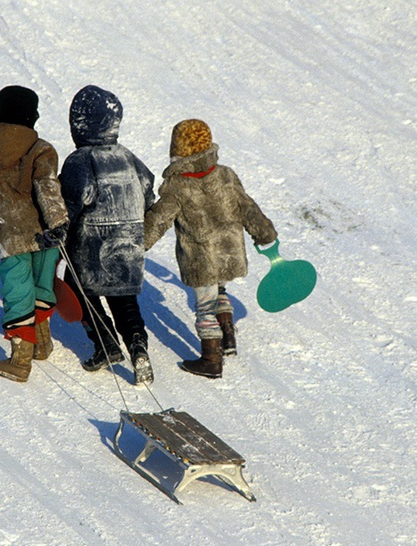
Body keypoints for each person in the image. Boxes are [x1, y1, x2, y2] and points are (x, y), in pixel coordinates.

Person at [143, 119, 277, 379]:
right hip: (229, 252)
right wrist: (264, 233)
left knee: (205, 307)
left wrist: (139, 242)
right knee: (221, 288)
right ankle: (228, 338)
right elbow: (247, 207)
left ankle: (211, 360)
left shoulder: (178, 186)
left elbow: (159, 219)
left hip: (201, 259)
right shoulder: (225, 175)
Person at [59, 85, 156, 384]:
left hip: (91, 244)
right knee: (125, 300)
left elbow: (72, 203)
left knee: (78, 288)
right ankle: (138, 348)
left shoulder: (80, 161)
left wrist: (61, 232)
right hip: (128, 243)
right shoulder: (129, 157)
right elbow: (148, 190)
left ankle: (106, 344)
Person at [0, 85, 69, 382]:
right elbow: (48, 187)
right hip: (44, 233)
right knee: (42, 285)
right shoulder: (40, 149)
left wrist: (4, 214)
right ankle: (32, 352)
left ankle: (25, 351)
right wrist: (58, 222)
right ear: (33, 116)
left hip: (9, 233)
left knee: (18, 292)